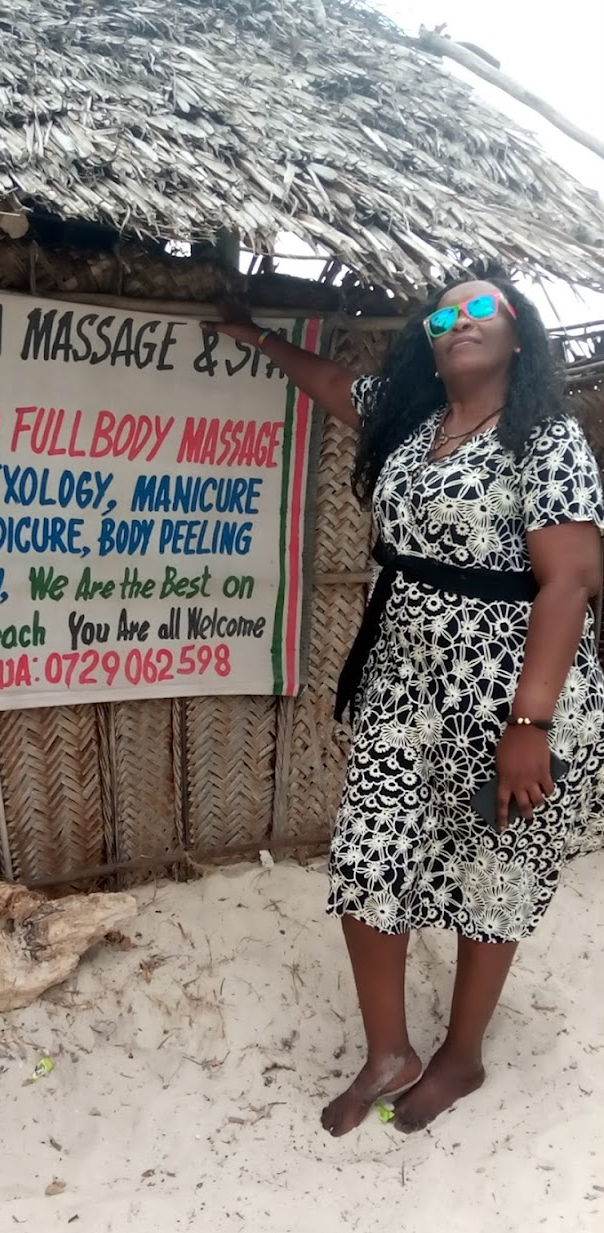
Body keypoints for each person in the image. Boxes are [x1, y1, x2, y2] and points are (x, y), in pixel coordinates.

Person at [206, 279, 604, 1135]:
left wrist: (530, 724)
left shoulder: (545, 440)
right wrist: (256, 340)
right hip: (405, 680)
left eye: (478, 312)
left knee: (491, 872)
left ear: (518, 336)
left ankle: (462, 1055)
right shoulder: (412, 419)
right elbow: (333, 384)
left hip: (511, 693)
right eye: (443, 317)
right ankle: (390, 1050)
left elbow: (570, 580)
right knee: (367, 855)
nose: (457, 325)